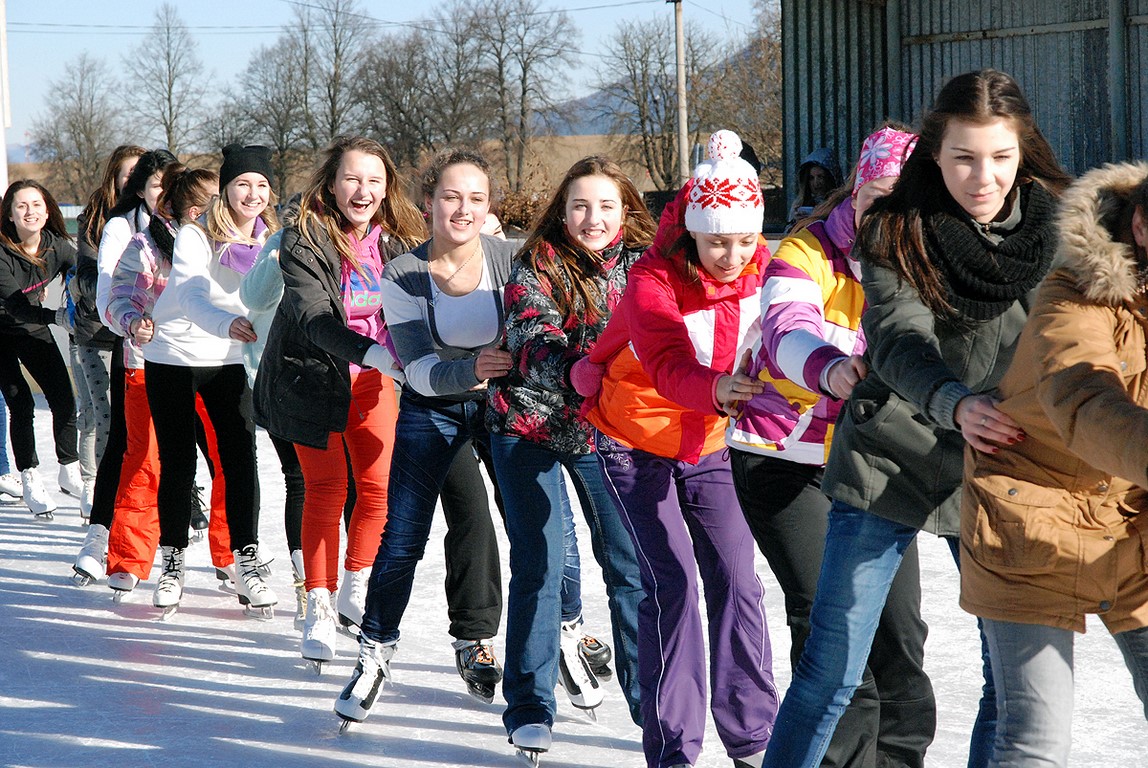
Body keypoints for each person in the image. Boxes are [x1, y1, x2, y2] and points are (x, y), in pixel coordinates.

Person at [760, 69, 1073, 768]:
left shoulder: (1065, 236)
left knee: (1011, 679)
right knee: (833, 668)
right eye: (963, 157)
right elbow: (899, 340)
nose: (982, 177)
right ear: (936, 153)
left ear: (1024, 152)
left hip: (1001, 467)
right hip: (892, 454)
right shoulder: (895, 227)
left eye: (999, 157)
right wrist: (956, 402)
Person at [729, 125, 931, 768]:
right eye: (877, 195)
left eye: (906, 198)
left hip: (882, 462)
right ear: (857, 189)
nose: (887, 213)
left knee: (900, 641)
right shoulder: (807, 249)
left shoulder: (931, 255)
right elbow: (789, 326)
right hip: (789, 459)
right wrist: (828, 366)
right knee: (832, 632)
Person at [578, 130, 777, 768]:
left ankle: (752, 738)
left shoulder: (763, 272)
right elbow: (664, 364)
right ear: (691, 230)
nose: (732, 254)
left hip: (711, 443)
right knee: (673, 584)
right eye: (718, 240)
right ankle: (673, 749)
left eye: (745, 240)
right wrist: (719, 388)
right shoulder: (651, 280)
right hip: (634, 440)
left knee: (738, 580)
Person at [959, 162, 1148, 766]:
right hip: (1031, 516)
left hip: (1136, 523)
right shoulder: (1074, 294)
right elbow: (1084, 398)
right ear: (1141, 226)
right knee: (1036, 740)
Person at [335, 148, 513, 723]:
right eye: (450, 197)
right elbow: (415, 370)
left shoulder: (511, 260)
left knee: (524, 521)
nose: (462, 209)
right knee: (406, 531)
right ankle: (375, 649)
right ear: (429, 202)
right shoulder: (404, 272)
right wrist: (474, 371)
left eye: (476, 198)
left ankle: (499, 634)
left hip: (505, 408)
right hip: (434, 406)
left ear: (489, 207)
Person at [488, 156, 655, 752]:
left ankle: (650, 706)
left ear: (627, 211)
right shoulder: (535, 262)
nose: (593, 217)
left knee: (631, 565)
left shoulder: (645, 266)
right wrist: (578, 370)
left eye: (607, 205)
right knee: (542, 563)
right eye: (581, 205)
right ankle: (530, 705)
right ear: (562, 209)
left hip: (605, 429)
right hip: (528, 423)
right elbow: (535, 331)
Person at [253, 136, 424, 666]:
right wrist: (373, 353)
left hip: (376, 381)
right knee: (326, 490)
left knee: (378, 492)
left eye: (375, 180)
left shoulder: (398, 240)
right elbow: (313, 317)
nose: (363, 190)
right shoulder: (303, 238)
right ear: (331, 182)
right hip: (312, 379)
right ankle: (320, 604)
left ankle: (355, 583)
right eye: (353, 178)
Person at [144, 144, 279, 615]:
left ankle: (246, 558)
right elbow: (189, 293)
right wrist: (226, 325)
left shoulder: (272, 240)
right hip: (174, 354)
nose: (253, 193)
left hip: (229, 358)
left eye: (262, 184)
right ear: (225, 189)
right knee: (179, 461)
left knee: (240, 457)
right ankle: (174, 560)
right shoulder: (195, 236)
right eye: (243, 183)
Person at [102, 164, 218, 596]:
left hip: (214, 363)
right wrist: (133, 322)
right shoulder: (145, 245)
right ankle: (131, 556)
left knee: (227, 458)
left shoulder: (224, 243)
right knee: (146, 459)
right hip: (149, 364)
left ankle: (231, 556)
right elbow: (118, 297)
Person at [72, 149, 179, 584]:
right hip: (126, 342)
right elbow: (106, 289)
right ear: (132, 186)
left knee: (203, 445)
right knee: (126, 444)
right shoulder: (122, 226)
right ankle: (101, 535)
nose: (164, 193)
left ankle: (230, 544)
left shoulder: (192, 225)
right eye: (152, 183)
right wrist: (131, 324)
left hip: (187, 354)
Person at [70, 144, 145, 519]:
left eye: (140, 174)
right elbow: (83, 274)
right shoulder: (97, 218)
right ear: (114, 177)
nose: (134, 180)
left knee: (142, 421)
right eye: (127, 174)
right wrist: (115, 286)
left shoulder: (157, 218)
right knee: (104, 417)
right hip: (98, 331)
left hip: (143, 337)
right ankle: (102, 494)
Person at [0, 180, 80, 519]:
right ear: (10, 215)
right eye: (21, 206)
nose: (30, 211)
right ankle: (29, 475)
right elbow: (17, 306)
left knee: (64, 397)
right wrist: (58, 317)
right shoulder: (1, 252)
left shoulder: (57, 246)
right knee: (21, 402)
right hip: (2, 332)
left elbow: (81, 274)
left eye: (36, 204)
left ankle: (69, 469)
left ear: (47, 211)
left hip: (32, 329)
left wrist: (81, 296)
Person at [786, 147, 842, 231]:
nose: (816, 182)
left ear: (830, 177)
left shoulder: (841, 203)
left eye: (820, 177)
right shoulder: (799, 203)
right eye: (811, 178)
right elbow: (786, 235)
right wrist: (796, 223)